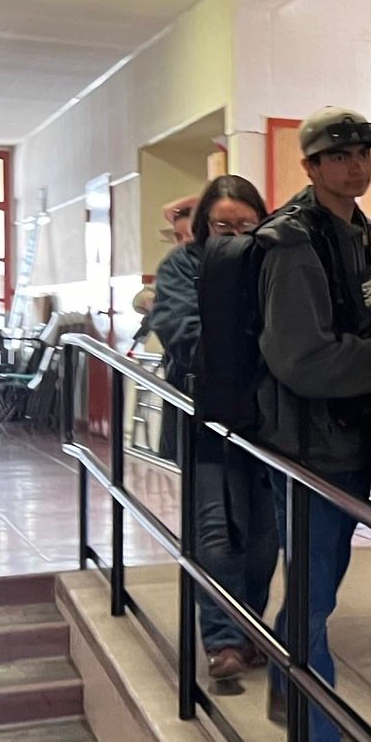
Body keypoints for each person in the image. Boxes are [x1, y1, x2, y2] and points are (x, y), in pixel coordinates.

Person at [256, 108, 371, 742]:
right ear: (311, 167)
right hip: (306, 449)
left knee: (314, 597)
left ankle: (284, 682)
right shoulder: (292, 245)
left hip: (343, 441)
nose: (356, 165)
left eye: (363, 153)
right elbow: (304, 361)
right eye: (340, 155)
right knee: (315, 602)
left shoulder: (352, 228)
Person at [149, 175, 276, 687]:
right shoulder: (181, 265)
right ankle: (222, 640)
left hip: (267, 419)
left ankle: (249, 630)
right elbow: (180, 329)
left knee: (265, 538)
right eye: (222, 224)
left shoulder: (272, 264)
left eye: (246, 224)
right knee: (218, 535)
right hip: (206, 418)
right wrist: (253, 347)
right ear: (203, 225)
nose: (234, 234)